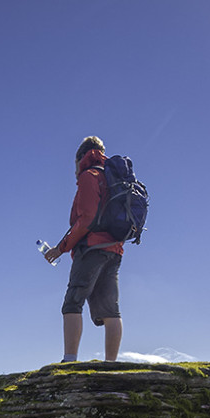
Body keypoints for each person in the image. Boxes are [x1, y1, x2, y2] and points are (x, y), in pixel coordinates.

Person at [44, 136, 123, 362]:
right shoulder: (112, 178)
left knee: (72, 302)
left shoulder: (90, 176)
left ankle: (69, 360)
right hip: (115, 249)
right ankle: (111, 364)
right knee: (111, 309)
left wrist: (61, 248)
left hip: (91, 249)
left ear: (81, 158)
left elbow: (87, 218)